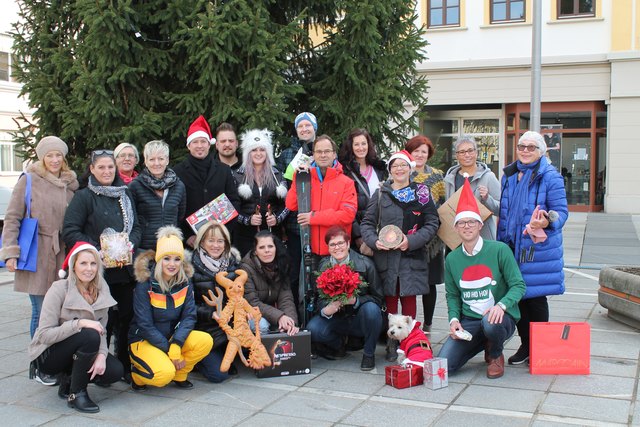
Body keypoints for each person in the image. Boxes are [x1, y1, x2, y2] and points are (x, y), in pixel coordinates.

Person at [0, 136, 79, 367]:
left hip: (63, 253)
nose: (54, 160)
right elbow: (13, 217)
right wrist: (11, 252)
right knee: (41, 309)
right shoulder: (29, 180)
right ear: (41, 157)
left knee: (62, 309)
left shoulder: (71, 183)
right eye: (49, 155)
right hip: (37, 251)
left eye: (58, 155)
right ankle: (39, 361)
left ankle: (58, 359)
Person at [63, 149, 141, 380]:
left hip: (124, 270)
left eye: (110, 167)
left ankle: (125, 363)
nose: (106, 172)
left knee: (126, 318)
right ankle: (97, 366)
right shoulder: (84, 197)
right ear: (92, 170)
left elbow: (137, 226)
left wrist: (129, 243)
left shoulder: (125, 195)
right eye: (101, 167)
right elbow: (70, 230)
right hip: (96, 271)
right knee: (100, 319)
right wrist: (98, 248)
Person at [438, 177, 525, 379]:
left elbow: (518, 285)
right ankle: (482, 341)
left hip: (499, 317)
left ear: (479, 225)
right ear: (456, 228)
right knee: (445, 366)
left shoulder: (499, 250)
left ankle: (495, 353)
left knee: (491, 323)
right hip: (470, 320)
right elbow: (452, 294)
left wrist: (501, 306)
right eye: (461, 223)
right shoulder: (452, 258)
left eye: (471, 222)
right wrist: (453, 320)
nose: (466, 226)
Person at [360, 150, 439, 362]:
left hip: (411, 256)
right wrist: (373, 241)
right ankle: (392, 344)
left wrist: (411, 241)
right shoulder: (380, 193)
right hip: (386, 258)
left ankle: (411, 343)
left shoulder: (421, 192)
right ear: (390, 170)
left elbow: (432, 222)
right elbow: (367, 223)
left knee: (410, 301)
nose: (399, 169)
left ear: (410, 168)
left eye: (403, 165)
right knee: (390, 301)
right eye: (395, 166)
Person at [496, 130, 568, 366]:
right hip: (511, 245)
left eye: (531, 147)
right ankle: (527, 345)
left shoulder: (551, 177)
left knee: (535, 298)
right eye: (521, 146)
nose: (525, 151)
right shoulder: (509, 174)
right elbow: (504, 211)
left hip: (535, 248)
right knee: (517, 297)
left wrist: (547, 220)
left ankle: (540, 348)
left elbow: (561, 213)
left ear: (541, 152)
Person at [28, 242, 123, 413]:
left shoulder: (102, 289)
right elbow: (44, 335)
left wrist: (102, 355)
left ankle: (69, 381)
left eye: (93, 263)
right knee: (89, 335)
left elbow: (102, 329)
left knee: (114, 371)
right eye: (83, 263)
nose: (89, 269)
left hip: (83, 345)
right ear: (73, 266)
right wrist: (79, 323)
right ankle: (77, 394)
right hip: (48, 354)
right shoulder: (59, 289)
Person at [128, 226, 213, 390]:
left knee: (204, 341)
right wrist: (170, 349)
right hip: (145, 340)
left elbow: (189, 316)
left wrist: (176, 344)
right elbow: (144, 325)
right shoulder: (145, 284)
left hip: (171, 338)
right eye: (166, 258)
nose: (172, 264)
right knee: (162, 376)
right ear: (159, 260)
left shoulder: (185, 282)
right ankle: (137, 376)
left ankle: (179, 374)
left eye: (176, 259)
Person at [306, 226, 384, 371]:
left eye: (341, 243)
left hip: (359, 317)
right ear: (328, 248)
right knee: (313, 329)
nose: (337, 247)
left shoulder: (365, 264)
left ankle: (368, 354)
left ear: (348, 244)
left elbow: (378, 298)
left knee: (372, 310)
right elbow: (318, 299)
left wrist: (356, 301)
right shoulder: (323, 266)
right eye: (333, 244)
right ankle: (339, 346)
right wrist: (325, 310)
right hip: (337, 317)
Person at [285, 134, 358, 259]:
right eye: (319, 151)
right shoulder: (306, 178)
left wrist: (313, 217)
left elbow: (347, 215)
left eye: (327, 151)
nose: (323, 155)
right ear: (313, 155)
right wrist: (297, 179)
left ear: (334, 154)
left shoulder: (346, 182)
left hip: (336, 252)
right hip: (310, 250)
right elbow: (291, 205)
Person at [173, 115, 240, 247]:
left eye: (203, 142)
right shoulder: (177, 172)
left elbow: (234, 202)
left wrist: (223, 233)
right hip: (191, 241)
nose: (199, 146)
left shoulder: (224, 170)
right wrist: (186, 236)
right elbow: (175, 207)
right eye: (195, 142)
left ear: (209, 144)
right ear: (188, 145)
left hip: (219, 241)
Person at [276, 112, 318, 310]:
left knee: (315, 269)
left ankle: (314, 310)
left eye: (307, 126)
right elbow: (282, 187)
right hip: (294, 222)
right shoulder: (287, 154)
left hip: (318, 219)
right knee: (294, 271)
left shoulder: (322, 150)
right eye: (300, 126)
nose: (304, 129)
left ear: (314, 128)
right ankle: (293, 313)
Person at [405, 135, 446, 334]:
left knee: (430, 283)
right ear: (409, 152)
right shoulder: (401, 172)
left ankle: (428, 325)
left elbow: (443, 206)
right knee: (409, 282)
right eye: (416, 151)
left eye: (424, 151)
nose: (420, 155)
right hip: (409, 238)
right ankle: (408, 326)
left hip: (432, 240)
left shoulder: (437, 176)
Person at [191, 220, 241, 383]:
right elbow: (187, 307)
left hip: (230, 327)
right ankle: (197, 360)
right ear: (202, 242)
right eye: (210, 240)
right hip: (204, 329)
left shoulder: (234, 264)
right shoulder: (190, 267)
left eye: (220, 241)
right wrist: (210, 313)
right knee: (218, 375)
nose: (216, 245)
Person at [232, 129, 289, 256]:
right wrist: (247, 220)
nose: (258, 153)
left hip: (272, 235)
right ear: (248, 153)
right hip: (245, 236)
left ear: (267, 152)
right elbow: (230, 207)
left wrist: (277, 218)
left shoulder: (278, 175)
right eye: (254, 150)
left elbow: (288, 204)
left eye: (262, 149)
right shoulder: (236, 176)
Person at [129, 140, 186, 250]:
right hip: (144, 248)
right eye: (152, 159)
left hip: (170, 247)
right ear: (145, 161)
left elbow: (180, 217)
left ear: (167, 160)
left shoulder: (179, 186)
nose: (157, 163)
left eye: (161, 159)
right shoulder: (135, 186)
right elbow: (132, 219)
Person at [338, 128, 387, 254]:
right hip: (359, 234)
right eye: (357, 144)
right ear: (351, 147)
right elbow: (346, 206)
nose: (361, 148)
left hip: (380, 230)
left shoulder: (379, 169)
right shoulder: (346, 171)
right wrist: (358, 235)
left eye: (364, 143)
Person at [241, 231, 299, 335]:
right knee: (261, 325)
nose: (267, 250)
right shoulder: (246, 269)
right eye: (262, 247)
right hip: (251, 312)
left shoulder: (282, 264)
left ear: (275, 248)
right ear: (255, 251)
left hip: (272, 312)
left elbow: (286, 298)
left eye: (270, 246)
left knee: (288, 326)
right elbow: (252, 302)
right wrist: (280, 316)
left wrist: (290, 321)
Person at [443, 136, 500, 240]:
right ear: (457, 155)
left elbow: (501, 209)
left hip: (483, 239)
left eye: (470, 150)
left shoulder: (488, 177)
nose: (467, 155)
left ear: (476, 153)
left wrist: (487, 199)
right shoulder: (449, 179)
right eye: (462, 152)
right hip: (456, 240)